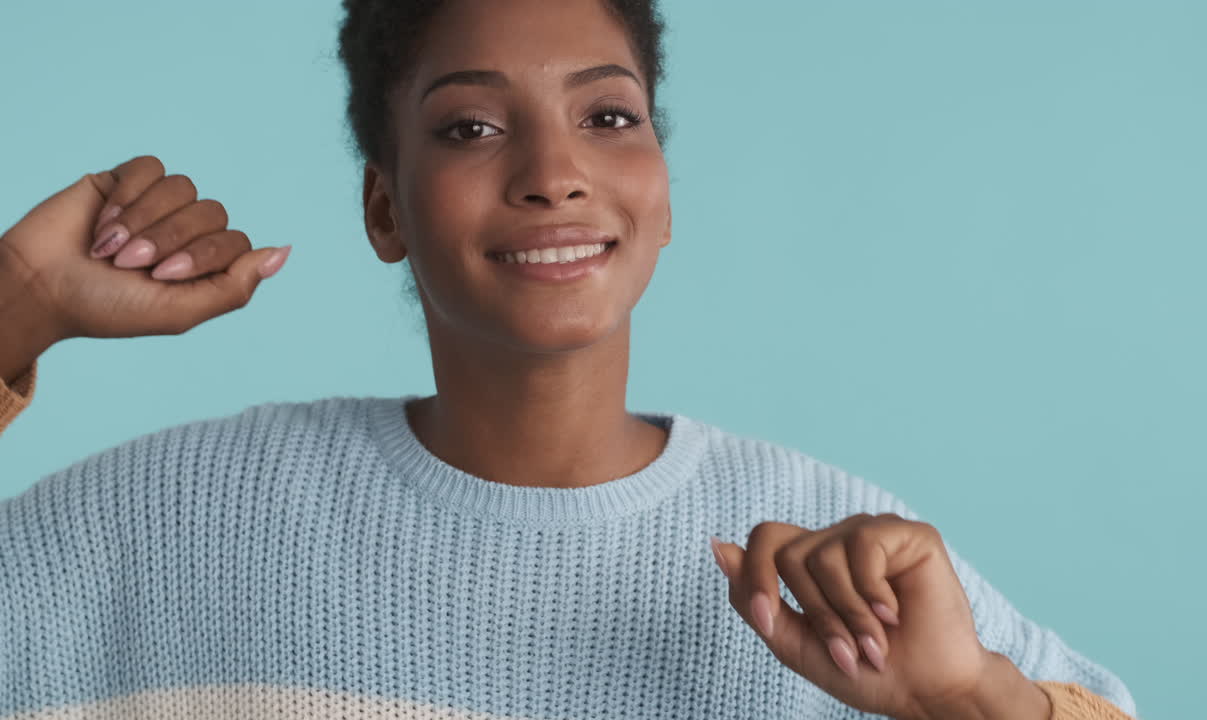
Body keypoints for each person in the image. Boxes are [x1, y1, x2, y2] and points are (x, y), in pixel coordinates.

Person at [0, 1, 1139, 718]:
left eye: (607, 118)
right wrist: (13, 307)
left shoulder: (839, 566)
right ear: (382, 207)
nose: (555, 172)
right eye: (470, 127)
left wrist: (971, 706)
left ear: (663, 191)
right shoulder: (162, 521)